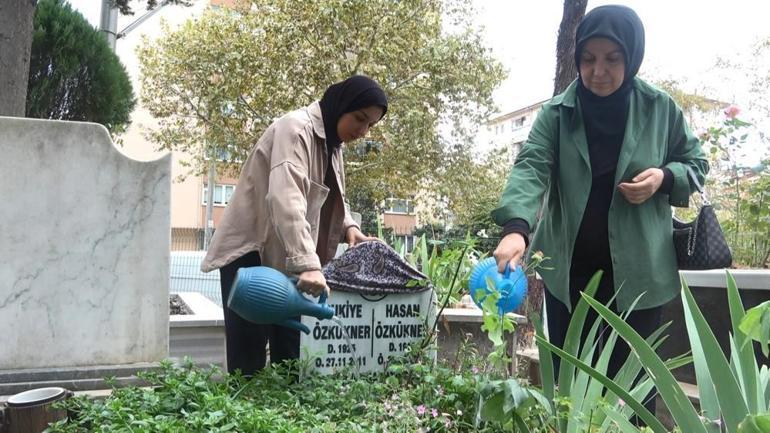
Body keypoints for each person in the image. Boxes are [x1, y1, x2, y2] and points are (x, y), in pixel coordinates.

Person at [491, 5, 708, 414]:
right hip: (569, 275)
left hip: (639, 275)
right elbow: (531, 166)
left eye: (612, 59)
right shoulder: (557, 113)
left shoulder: (660, 109)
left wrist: (664, 177)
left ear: (632, 56)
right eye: (588, 59)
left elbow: (696, 165)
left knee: (634, 390)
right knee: (571, 385)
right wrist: (516, 228)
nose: (598, 71)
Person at [201, 75, 388, 375]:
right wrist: (309, 265)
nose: (363, 131)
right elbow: (285, 197)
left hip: (285, 258)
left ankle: (286, 421)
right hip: (252, 255)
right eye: (359, 118)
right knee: (247, 364)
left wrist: (349, 228)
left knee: (290, 359)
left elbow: (329, 196)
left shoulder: (332, 146)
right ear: (341, 105)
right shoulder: (295, 128)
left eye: (370, 126)